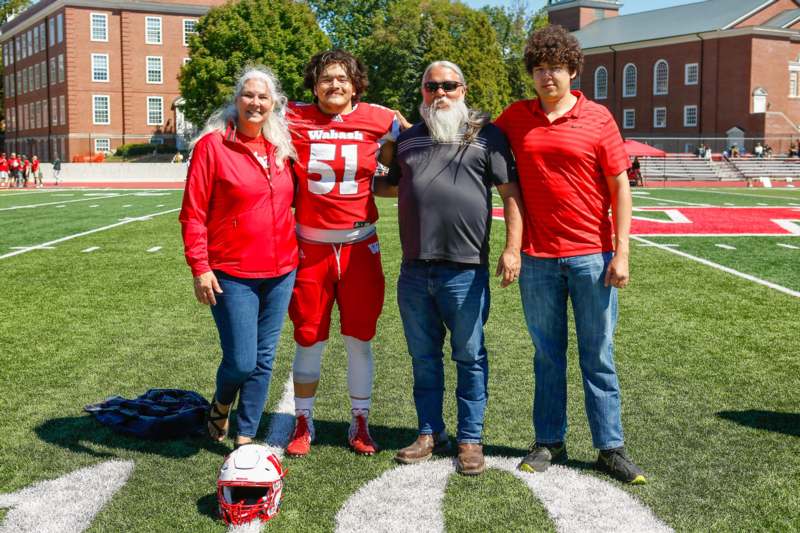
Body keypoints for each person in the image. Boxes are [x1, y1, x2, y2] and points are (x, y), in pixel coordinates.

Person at [494, 25, 646, 484]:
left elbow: (621, 187)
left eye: (556, 69)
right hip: (538, 258)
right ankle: (549, 441)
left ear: (573, 71)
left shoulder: (599, 118)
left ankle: (610, 447)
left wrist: (622, 253)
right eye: (539, 69)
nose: (547, 78)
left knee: (598, 353)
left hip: (592, 256)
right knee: (547, 355)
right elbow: (473, 135)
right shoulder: (515, 117)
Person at [376, 61, 523, 475]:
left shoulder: (486, 135)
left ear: (463, 88)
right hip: (414, 269)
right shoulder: (407, 139)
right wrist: (384, 154)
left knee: (469, 355)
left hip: (466, 269)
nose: (439, 93)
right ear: (421, 91)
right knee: (423, 358)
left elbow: (511, 195)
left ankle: (470, 438)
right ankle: (429, 432)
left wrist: (513, 248)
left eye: (448, 86)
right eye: (431, 86)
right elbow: (386, 185)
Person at [283, 49, 405, 457]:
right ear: (313, 83)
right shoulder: (292, 117)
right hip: (310, 246)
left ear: (356, 83)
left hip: (358, 246)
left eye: (342, 78)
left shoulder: (380, 118)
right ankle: (303, 419)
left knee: (359, 339)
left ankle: (360, 419)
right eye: (325, 78)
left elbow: (413, 142)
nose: (334, 85)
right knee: (308, 338)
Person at [179, 65, 299, 449]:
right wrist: (200, 267)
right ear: (236, 99)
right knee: (242, 360)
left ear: (274, 104)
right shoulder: (212, 146)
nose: (256, 103)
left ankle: (246, 434)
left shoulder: (282, 147)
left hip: (282, 270)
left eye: (264, 97)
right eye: (249, 95)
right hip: (232, 272)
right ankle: (221, 402)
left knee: (265, 359)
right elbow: (193, 213)